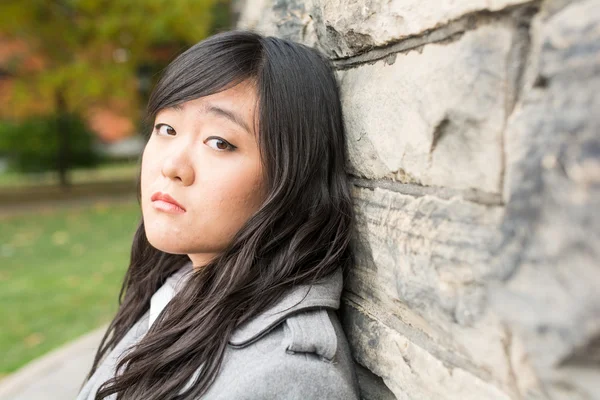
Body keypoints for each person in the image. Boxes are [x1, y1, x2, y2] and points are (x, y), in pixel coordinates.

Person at [77, 30, 360, 400]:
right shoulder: (179, 287)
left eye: (220, 142)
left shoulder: (287, 378)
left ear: (292, 176)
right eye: (167, 128)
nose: (173, 165)